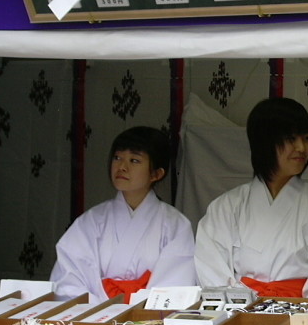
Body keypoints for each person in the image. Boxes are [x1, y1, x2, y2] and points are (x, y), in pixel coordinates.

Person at [195, 97, 308, 298]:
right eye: (291, 139)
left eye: (307, 138)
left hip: (302, 318)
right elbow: (211, 270)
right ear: (264, 142)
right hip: (240, 316)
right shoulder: (226, 207)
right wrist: (244, 308)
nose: (301, 147)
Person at [50, 126, 198, 304]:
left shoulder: (176, 225)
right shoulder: (91, 221)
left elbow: (176, 283)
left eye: (134, 160)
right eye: (117, 158)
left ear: (156, 173)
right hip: (96, 316)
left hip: (149, 322)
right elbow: (69, 278)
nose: (122, 167)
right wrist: (103, 311)